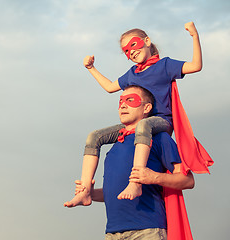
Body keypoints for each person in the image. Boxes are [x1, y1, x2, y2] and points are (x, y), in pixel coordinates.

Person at [64, 22, 201, 207]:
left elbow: (195, 66)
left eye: (133, 45)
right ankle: (86, 191)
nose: (131, 52)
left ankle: (135, 182)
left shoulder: (165, 66)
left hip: (161, 121)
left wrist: (194, 36)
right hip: (136, 124)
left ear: (147, 41)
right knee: (94, 136)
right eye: (126, 51)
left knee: (144, 126)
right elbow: (110, 87)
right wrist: (91, 68)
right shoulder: (132, 73)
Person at [72, 85, 195, 239]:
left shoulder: (160, 139)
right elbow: (119, 193)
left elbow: (188, 181)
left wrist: (153, 177)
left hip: (147, 231)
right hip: (112, 233)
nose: (123, 105)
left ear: (147, 108)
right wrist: (91, 193)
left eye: (131, 100)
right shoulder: (115, 147)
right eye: (121, 101)